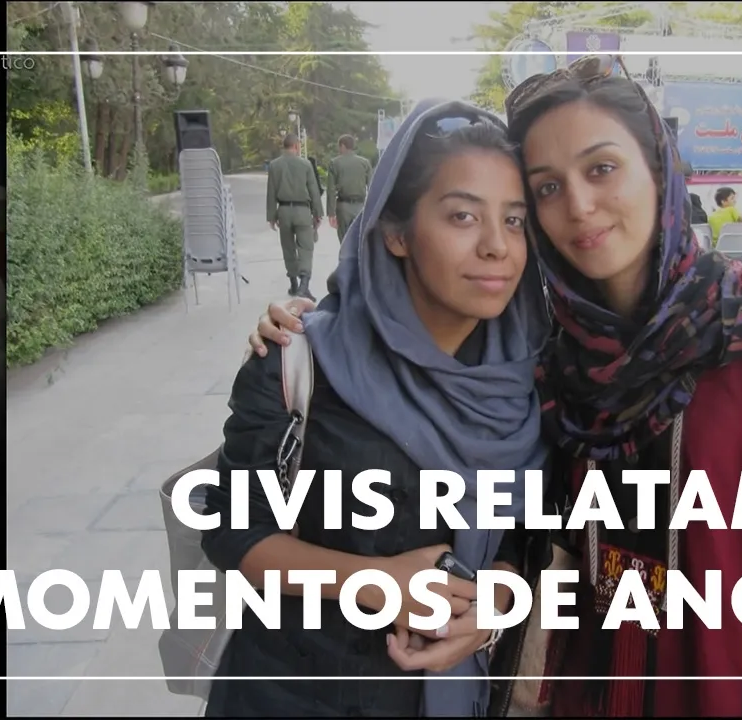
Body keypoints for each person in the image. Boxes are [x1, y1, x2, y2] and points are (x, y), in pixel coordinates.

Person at [249, 55, 742, 718]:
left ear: (658, 170)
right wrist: (312, 329)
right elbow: (537, 534)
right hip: (587, 687)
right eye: (547, 188)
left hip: (730, 691)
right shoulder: (550, 350)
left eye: (601, 168)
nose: (578, 206)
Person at [205, 100, 552, 718]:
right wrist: (376, 580)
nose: (497, 246)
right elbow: (233, 532)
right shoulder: (303, 360)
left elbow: (529, 535)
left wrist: (492, 607)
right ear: (395, 232)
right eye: (463, 216)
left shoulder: (528, 378)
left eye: (515, 220)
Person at [267, 134, 324, 299]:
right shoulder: (305, 164)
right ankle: (304, 286)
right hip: (302, 211)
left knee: (288, 247)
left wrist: (271, 216)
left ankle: (293, 283)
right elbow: (314, 191)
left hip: (284, 210)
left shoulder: (274, 165)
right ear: (296, 146)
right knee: (305, 247)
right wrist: (318, 213)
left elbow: (271, 192)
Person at [327, 134, 373, 241]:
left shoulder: (334, 163)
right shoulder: (365, 163)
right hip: (360, 206)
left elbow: (331, 190)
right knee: (359, 239)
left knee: (344, 240)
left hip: (343, 207)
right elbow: (371, 186)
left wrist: (331, 213)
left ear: (342, 146)